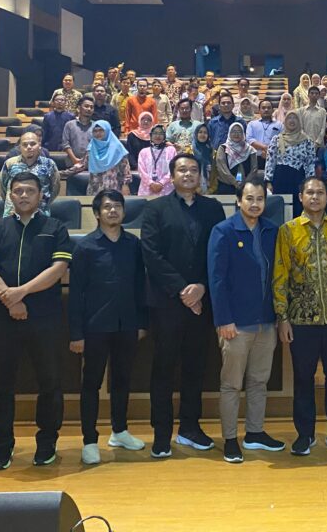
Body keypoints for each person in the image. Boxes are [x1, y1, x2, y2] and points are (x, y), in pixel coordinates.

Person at [0, 172, 74, 469]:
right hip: (1, 317)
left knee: (50, 382)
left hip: (45, 317)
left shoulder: (55, 228)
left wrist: (21, 293)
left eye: (30, 191)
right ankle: (3, 446)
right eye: (17, 191)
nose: (23, 196)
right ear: (10, 195)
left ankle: (47, 443)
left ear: (41, 195)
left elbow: (58, 269)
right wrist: (11, 299)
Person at [141, 155, 226, 457]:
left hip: (202, 303)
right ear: (172, 175)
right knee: (163, 368)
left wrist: (201, 286)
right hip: (167, 303)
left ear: (200, 175)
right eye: (182, 170)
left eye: (193, 170)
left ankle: (190, 427)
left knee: (196, 366)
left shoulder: (213, 209)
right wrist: (182, 290)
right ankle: (161, 432)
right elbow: (151, 254)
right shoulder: (155, 209)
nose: (188, 174)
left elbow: (218, 252)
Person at [273, 177, 327, 456]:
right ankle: (304, 434)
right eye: (310, 192)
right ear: (300, 197)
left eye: (320, 192)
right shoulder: (288, 231)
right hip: (301, 318)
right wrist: (282, 316)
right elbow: (280, 274)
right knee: (303, 378)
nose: (315, 197)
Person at [208, 175, 284, 464]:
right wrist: (223, 319)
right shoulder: (223, 231)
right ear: (238, 201)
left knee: (258, 381)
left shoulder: (272, 230)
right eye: (249, 198)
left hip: (266, 321)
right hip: (235, 324)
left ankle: (254, 432)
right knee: (231, 384)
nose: (255, 204)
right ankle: (230, 439)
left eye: (260, 199)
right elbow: (217, 280)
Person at [69, 190, 148, 465]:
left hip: (127, 324)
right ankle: (89, 440)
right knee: (91, 383)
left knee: (122, 380)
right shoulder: (85, 247)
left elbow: (140, 286)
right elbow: (76, 293)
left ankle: (120, 431)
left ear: (124, 211)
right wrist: (76, 333)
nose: (113, 211)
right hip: (95, 326)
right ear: (97, 213)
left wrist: (141, 322)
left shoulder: (133, 244)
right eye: (107, 207)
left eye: (117, 206)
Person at [265, 112, 317, 217]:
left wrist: (310, 183)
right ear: (285, 121)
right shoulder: (276, 139)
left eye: (295, 118)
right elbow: (270, 161)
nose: (292, 121)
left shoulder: (307, 141)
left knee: (297, 209)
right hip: (279, 179)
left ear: (299, 121)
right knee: (280, 210)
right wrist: (268, 182)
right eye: (289, 118)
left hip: (298, 179)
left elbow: (310, 163)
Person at [0, 131, 60, 217]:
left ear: (39, 145)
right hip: (12, 214)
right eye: (25, 144)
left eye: (33, 144)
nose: (29, 147)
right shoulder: (10, 163)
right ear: (19, 148)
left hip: (41, 214)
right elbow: (3, 188)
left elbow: (55, 188)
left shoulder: (49, 164)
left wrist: (43, 202)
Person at [87, 120, 132, 195]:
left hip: (113, 188)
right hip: (94, 189)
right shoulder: (91, 147)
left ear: (107, 130)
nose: (98, 133)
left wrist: (125, 185)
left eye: (101, 130)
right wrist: (65, 173)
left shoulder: (117, 148)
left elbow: (125, 169)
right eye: (95, 131)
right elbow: (82, 164)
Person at [137, 124, 177, 197]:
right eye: (155, 133)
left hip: (166, 188)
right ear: (151, 136)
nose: (158, 136)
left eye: (161, 133)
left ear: (164, 136)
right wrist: (151, 183)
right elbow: (141, 171)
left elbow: (173, 169)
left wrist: (161, 183)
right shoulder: (144, 152)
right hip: (147, 189)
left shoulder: (171, 150)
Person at [216, 122, 257, 192]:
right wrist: (235, 182)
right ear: (229, 133)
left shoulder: (250, 150)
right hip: (227, 187)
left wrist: (245, 183)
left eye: (239, 132)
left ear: (243, 134)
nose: (236, 134)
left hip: (247, 188)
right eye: (233, 131)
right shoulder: (223, 148)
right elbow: (222, 169)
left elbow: (254, 169)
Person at [62, 95, 95, 171]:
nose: (89, 109)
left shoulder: (96, 126)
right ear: (79, 108)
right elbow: (65, 144)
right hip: (72, 163)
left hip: (91, 165)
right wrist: (74, 159)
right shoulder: (69, 125)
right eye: (86, 106)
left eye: (91, 107)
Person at [247, 98, 281, 168]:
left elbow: (282, 140)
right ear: (259, 110)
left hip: (274, 157)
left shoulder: (279, 125)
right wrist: (265, 148)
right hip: (255, 157)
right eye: (263, 108)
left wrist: (270, 151)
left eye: (269, 108)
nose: (266, 110)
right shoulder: (252, 124)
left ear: (273, 110)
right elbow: (249, 139)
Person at [191, 123, 216, 193]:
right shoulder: (190, 151)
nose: (203, 135)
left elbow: (215, 174)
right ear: (196, 134)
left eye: (205, 132)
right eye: (200, 132)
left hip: (209, 188)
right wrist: (195, 189)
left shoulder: (212, 151)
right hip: (193, 190)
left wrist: (211, 190)